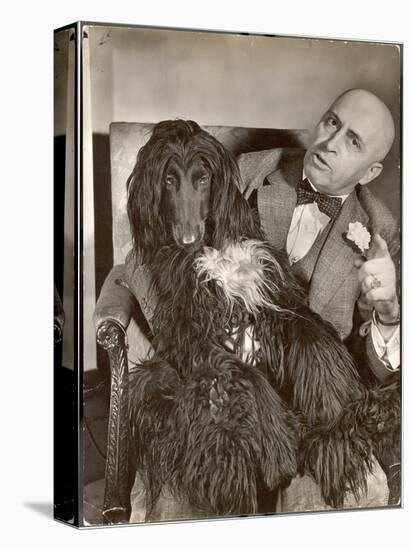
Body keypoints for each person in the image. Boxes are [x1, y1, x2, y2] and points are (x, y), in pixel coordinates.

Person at [238, 88, 400, 509]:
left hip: (313, 406)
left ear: (369, 172)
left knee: (310, 506)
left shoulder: (382, 231)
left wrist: (386, 313)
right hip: (237, 378)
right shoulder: (252, 171)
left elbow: (373, 368)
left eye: (353, 142)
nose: (330, 144)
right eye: (332, 123)